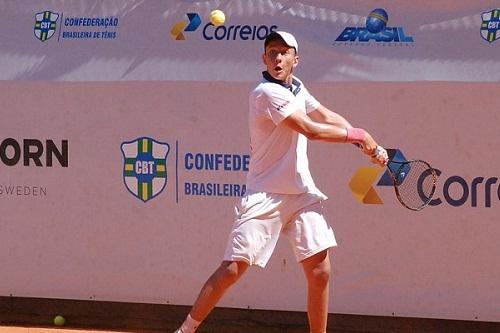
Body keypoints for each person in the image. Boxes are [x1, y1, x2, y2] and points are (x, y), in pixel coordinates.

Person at [174, 31, 388, 333]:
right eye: (272, 52)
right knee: (233, 269)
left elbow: (326, 116)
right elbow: (311, 130)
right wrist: (358, 135)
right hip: (265, 193)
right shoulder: (265, 93)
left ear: (295, 60)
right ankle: (186, 330)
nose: (277, 57)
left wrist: (372, 146)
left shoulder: (298, 88)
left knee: (320, 271)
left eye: (284, 52)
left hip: (300, 192)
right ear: (264, 59)